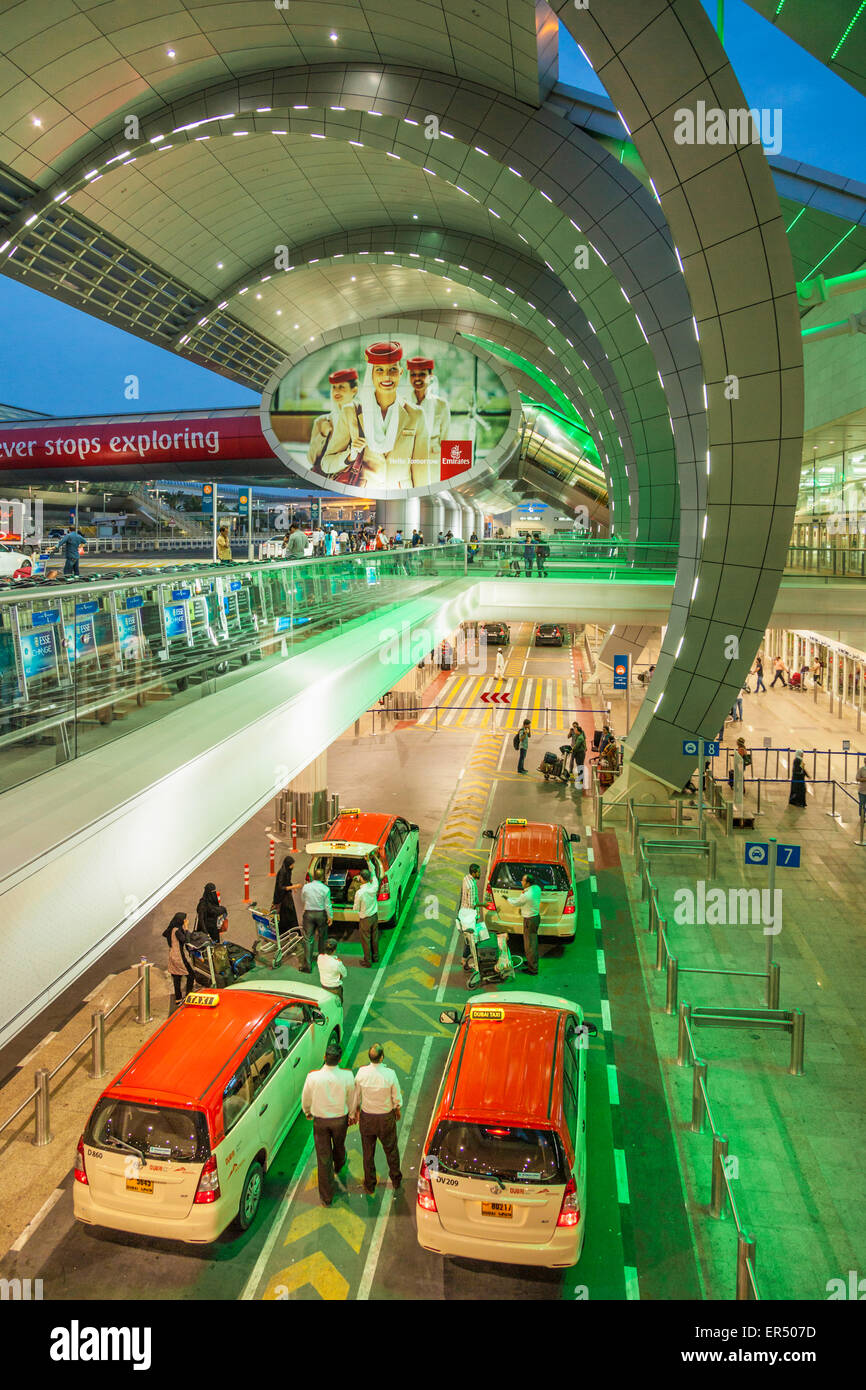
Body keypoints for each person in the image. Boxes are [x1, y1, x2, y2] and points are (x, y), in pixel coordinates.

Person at [354, 340, 430, 489]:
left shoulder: (416, 415)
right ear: (371, 374)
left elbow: (420, 466)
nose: (387, 376)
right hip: (364, 494)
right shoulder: (355, 412)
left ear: (401, 372)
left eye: (393, 369)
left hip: (402, 493)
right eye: (379, 370)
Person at [301, 1045, 355, 1207]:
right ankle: (339, 1165)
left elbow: (306, 1098)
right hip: (340, 1121)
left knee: (323, 1159)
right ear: (339, 1059)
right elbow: (352, 1098)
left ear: (324, 1057)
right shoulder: (347, 1076)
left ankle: (326, 1197)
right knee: (339, 1146)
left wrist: (307, 1111)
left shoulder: (313, 1077)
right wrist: (352, 1115)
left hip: (321, 1122)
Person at [352, 1044, 403, 1194]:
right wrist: (397, 1109)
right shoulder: (390, 1074)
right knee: (391, 1150)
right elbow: (396, 1097)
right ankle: (396, 1180)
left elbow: (356, 1096)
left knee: (368, 1153)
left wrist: (354, 1112)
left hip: (367, 1119)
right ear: (381, 1057)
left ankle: (370, 1183)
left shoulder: (361, 1073)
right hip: (386, 1119)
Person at [307, 367, 363, 481]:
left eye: (341, 387)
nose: (336, 391)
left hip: (351, 477)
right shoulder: (322, 421)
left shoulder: (362, 418)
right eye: (334, 387)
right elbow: (311, 459)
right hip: (324, 477)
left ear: (354, 390)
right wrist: (322, 435)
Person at [406, 355, 450, 474]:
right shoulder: (403, 403)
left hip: (433, 458)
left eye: (422, 374)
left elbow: (445, 438)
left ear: (430, 376)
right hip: (409, 457)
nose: (417, 378)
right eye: (413, 374)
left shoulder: (441, 404)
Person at [508, 873, 541, 976]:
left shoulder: (526, 895)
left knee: (529, 945)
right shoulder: (536, 888)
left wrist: (507, 899)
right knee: (533, 941)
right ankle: (532, 962)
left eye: (523, 881)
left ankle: (533, 969)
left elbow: (516, 903)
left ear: (528, 883)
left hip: (529, 921)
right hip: (535, 918)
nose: (521, 882)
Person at [300, 867, 333, 973]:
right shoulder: (325, 889)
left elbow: (303, 899)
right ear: (323, 877)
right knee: (322, 938)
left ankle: (307, 966)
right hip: (321, 914)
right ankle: (322, 962)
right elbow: (327, 905)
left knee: (308, 939)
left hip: (308, 914)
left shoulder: (306, 887)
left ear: (313, 876)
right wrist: (330, 916)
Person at [163, 911, 193, 1002]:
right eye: (185, 919)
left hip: (172, 956)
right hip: (179, 957)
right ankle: (189, 995)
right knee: (191, 975)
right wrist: (187, 928)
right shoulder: (177, 931)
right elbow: (186, 940)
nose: (186, 920)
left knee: (177, 977)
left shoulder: (172, 929)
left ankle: (178, 998)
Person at [353, 868, 380, 967]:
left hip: (365, 919)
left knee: (366, 940)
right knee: (374, 937)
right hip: (374, 916)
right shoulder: (374, 886)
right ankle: (375, 957)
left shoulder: (359, 893)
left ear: (362, 878)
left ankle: (368, 961)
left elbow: (356, 908)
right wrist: (369, 861)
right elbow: (374, 874)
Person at [272, 854, 301, 940]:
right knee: (287, 916)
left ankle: (291, 933)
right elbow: (280, 887)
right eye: (292, 864)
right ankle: (287, 934)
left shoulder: (288, 871)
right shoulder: (282, 872)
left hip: (287, 896)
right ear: (288, 864)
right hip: (282, 898)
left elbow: (287, 882)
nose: (293, 866)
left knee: (288, 915)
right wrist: (294, 887)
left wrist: (292, 887)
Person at [460, 863, 482, 972]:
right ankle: (466, 960)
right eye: (478, 871)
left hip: (464, 912)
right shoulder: (472, 886)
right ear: (473, 873)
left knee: (468, 938)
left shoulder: (466, 879)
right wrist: (484, 905)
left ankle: (466, 958)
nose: (480, 873)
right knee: (471, 939)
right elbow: (472, 903)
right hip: (470, 915)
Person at [317, 938, 347, 1005]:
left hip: (324, 986)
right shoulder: (337, 963)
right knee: (338, 1007)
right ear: (334, 950)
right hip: (335, 989)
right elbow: (344, 974)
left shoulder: (320, 957)